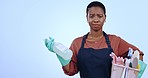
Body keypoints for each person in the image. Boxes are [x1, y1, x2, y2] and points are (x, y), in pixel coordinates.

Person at [45, 1, 144, 78]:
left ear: (105, 18)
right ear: (87, 18)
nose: (96, 19)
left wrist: (135, 71)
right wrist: (61, 56)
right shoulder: (77, 43)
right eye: (91, 16)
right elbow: (71, 70)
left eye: (100, 16)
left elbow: (138, 53)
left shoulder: (115, 41)